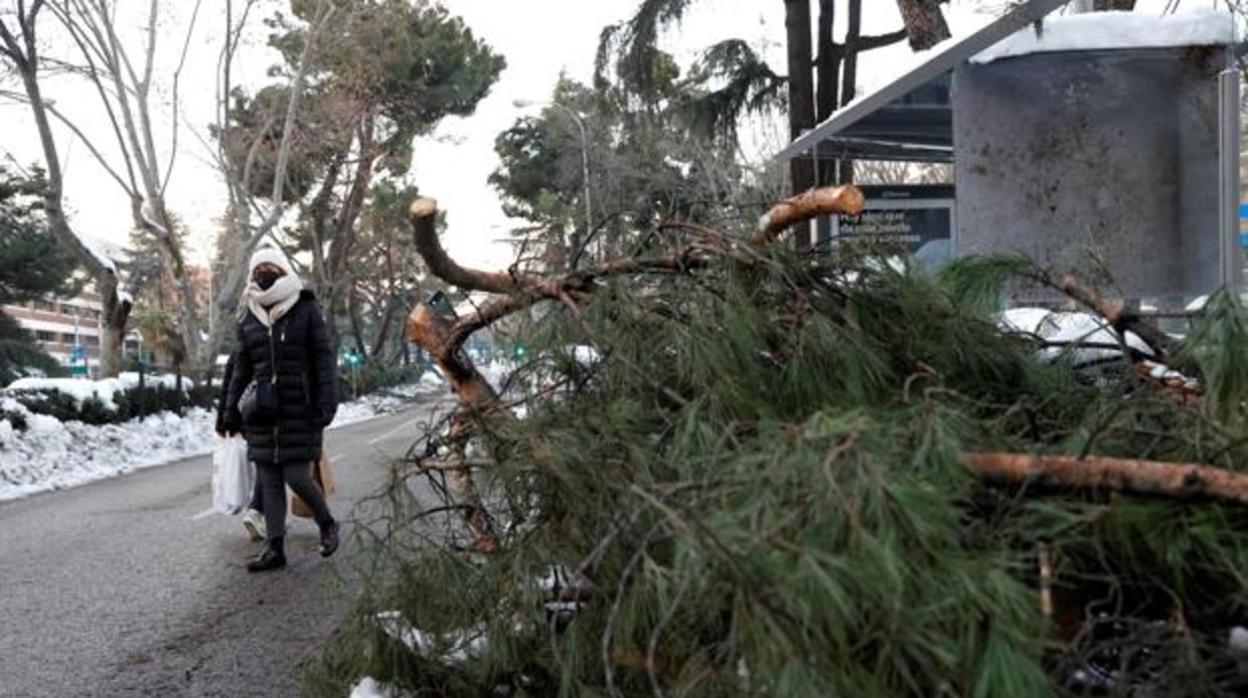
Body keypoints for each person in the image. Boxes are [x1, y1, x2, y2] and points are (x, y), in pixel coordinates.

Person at [218, 246, 340, 572]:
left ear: (284, 270)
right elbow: (240, 368)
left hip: (300, 408)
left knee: (297, 475)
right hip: (260, 412)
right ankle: (274, 548)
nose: (264, 274)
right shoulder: (248, 314)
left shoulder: (305, 308)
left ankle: (327, 523)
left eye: (271, 267)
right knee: (269, 480)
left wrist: (327, 402)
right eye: (258, 270)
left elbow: (323, 360)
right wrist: (228, 411)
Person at [215, 351, 267, 541]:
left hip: (244, 414)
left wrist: (223, 420)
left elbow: (229, 385)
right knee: (267, 465)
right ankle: (257, 510)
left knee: (263, 463)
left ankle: (266, 514)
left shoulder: (241, 342)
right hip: (262, 411)